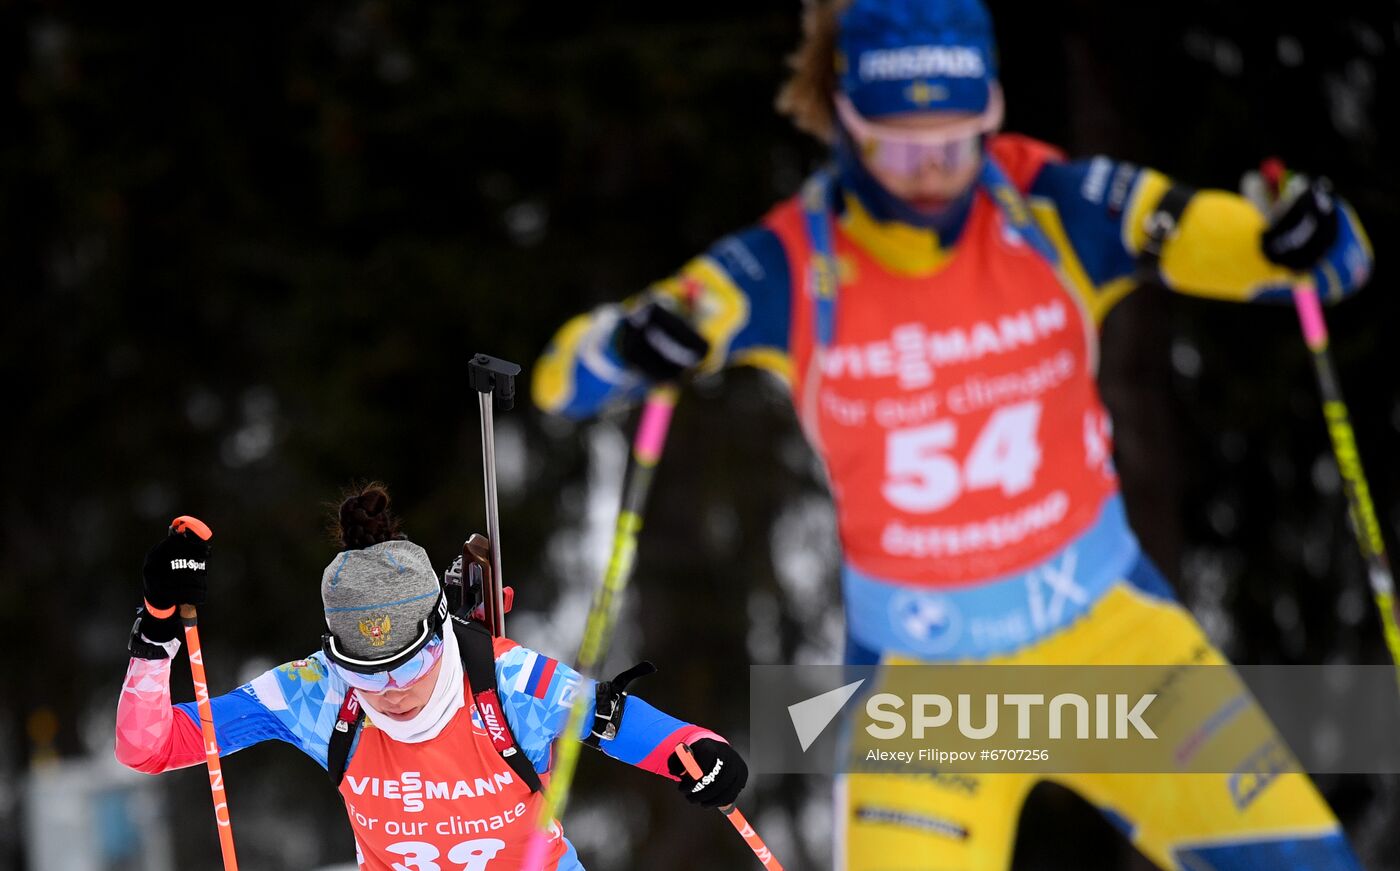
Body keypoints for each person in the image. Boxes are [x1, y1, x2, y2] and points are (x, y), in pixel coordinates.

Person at [531, 0, 1375, 869]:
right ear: (849, 122)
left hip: (1117, 647)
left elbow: (1310, 262)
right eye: (901, 144)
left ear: (994, 113)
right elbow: (565, 380)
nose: (932, 170)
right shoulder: (790, 263)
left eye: (957, 138)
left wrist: (1301, 231)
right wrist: (633, 343)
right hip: (923, 690)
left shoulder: (1057, 206)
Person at [115, 484, 747, 870]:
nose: (392, 688)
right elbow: (149, 747)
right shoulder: (315, 693)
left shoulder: (508, 680)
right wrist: (158, 627)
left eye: (409, 662)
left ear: (443, 631)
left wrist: (702, 755)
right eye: (364, 670)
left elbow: (634, 729)